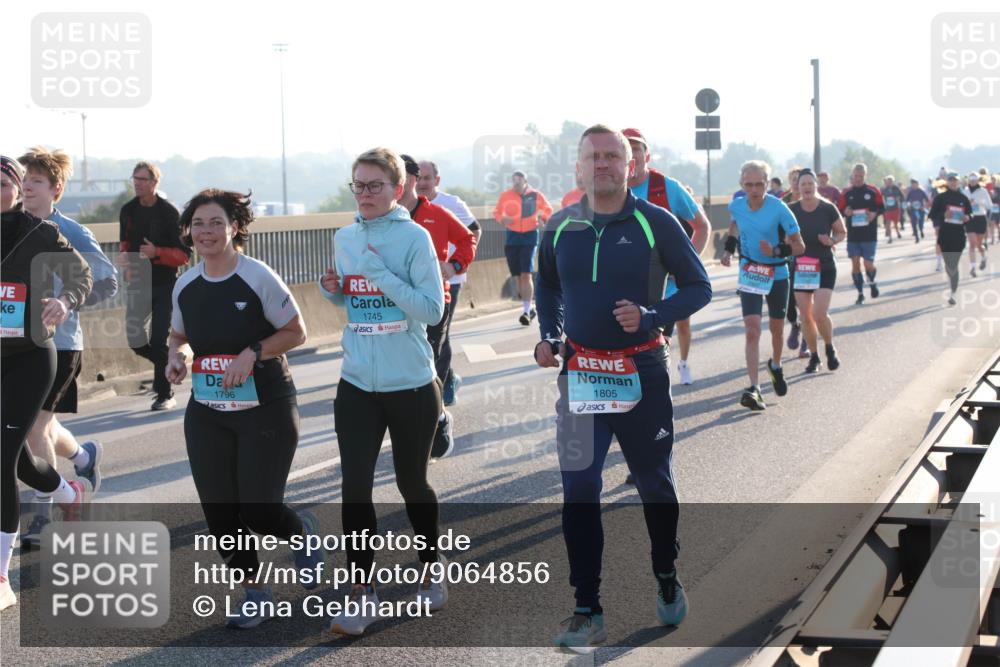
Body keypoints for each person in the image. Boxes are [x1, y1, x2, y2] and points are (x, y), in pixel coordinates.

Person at [536, 125, 711, 650]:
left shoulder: (655, 222)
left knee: (654, 485)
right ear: (578, 167)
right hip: (581, 375)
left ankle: (665, 572)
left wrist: (653, 315)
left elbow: (699, 286)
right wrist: (549, 335)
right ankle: (587, 608)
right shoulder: (559, 226)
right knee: (579, 489)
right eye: (593, 157)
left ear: (630, 166)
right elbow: (548, 286)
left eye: (613, 156)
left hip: (642, 373)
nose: (603, 164)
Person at [166, 188, 322, 629]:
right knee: (220, 512)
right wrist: (176, 358)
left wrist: (253, 352)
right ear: (189, 231)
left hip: (265, 406)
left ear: (235, 227)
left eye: (216, 222)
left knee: (258, 510)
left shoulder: (257, 276)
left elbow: (296, 331)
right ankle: (256, 592)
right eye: (198, 224)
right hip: (208, 409)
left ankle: (301, 533)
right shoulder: (185, 284)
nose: (207, 232)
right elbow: (179, 336)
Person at [319, 148, 447, 636]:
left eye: (375, 185)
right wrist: (334, 289)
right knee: (354, 487)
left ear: (398, 189)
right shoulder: (345, 237)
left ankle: (431, 566)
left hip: (410, 382)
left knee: (412, 484)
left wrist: (380, 275)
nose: (365, 193)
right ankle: (362, 592)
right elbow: (354, 301)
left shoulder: (415, 238)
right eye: (358, 184)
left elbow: (431, 310)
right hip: (356, 382)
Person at [1, 155, 93, 611]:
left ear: (17, 189)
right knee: (15, 460)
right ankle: (66, 491)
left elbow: (82, 275)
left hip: (31, 357)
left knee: (2, 458)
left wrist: (64, 300)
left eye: (2, 182)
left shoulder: (39, 233)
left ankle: (1, 576)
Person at [16, 147, 117, 547]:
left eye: (37, 182)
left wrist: (65, 302)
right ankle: (84, 457)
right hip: (16, 344)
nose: (28, 188)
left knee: (34, 427)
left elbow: (107, 281)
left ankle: (44, 516)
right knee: (42, 425)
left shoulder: (71, 232)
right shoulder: (11, 227)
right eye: (24, 181)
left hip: (59, 344)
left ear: (55, 189)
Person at [400, 154, 476, 459]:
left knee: (426, 364)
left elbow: (468, 238)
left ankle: (437, 418)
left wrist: (454, 265)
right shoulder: (381, 218)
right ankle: (415, 425)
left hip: (434, 301)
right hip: (397, 304)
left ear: (410, 179)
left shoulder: (438, 213)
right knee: (403, 368)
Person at [622, 128, 710, 385]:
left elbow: (702, 226)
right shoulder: (609, 190)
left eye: (637, 149)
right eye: (626, 149)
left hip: (665, 291)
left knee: (658, 345)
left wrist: (684, 266)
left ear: (647, 156)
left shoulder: (667, 187)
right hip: (625, 288)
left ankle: (668, 381)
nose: (632, 155)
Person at [721, 160, 805, 410]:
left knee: (776, 329)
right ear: (741, 184)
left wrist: (776, 250)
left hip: (777, 272)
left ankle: (775, 366)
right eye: (749, 185)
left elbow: (800, 246)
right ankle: (755, 388)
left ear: (768, 183)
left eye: (759, 184)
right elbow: (734, 227)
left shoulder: (780, 209)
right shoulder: (736, 206)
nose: (754, 190)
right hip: (750, 272)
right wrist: (728, 250)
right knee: (752, 329)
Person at [119, 161, 191, 410]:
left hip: (165, 285)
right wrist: (125, 258)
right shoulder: (128, 210)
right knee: (135, 340)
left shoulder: (170, 213)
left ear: (155, 182)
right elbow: (125, 242)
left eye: (143, 179)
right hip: (139, 283)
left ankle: (165, 393)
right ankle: (168, 364)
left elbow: (184, 255)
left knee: (159, 340)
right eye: (135, 179)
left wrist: (156, 252)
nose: (137, 183)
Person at [416, 160, 482, 406]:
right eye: (418, 178)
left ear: (437, 180)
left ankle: (441, 389)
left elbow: (474, 231)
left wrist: (456, 263)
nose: (422, 183)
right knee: (428, 335)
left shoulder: (451, 204)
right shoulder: (408, 206)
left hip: (450, 278)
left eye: (427, 178)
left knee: (442, 332)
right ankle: (448, 377)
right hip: (420, 280)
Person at [789, 170, 846, 373]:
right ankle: (814, 356)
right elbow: (784, 236)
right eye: (802, 184)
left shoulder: (827, 208)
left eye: (810, 183)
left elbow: (841, 232)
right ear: (798, 187)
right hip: (802, 268)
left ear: (816, 186)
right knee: (806, 317)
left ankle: (829, 348)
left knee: (819, 314)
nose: (806, 187)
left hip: (824, 266)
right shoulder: (791, 209)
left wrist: (831, 240)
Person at [494, 170, 552, 325]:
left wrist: (543, 219)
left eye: (519, 181)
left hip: (530, 235)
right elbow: (497, 212)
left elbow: (548, 209)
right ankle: (530, 307)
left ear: (525, 182)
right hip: (512, 237)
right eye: (514, 181)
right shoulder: (506, 195)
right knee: (518, 276)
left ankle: (526, 311)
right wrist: (502, 219)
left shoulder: (535, 195)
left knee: (526, 273)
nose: (516, 184)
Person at [838, 163, 885, 305]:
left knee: (868, 264)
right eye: (856, 176)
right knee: (855, 264)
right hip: (853, 235)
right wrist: (845, 212)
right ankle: (860, 293)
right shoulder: (846, 193)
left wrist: (874, 214)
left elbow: (882, 207)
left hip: (869, 234)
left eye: (861, 176)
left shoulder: (873, 191)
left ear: (865, 175)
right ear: (852, 175)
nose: (858, 178)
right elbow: (839, 211)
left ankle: (872, 281)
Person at [928, 172, 972, 305]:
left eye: (955, 180)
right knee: (949, 265)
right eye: (951, 180)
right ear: (947, 182)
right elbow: (932, 214)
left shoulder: (963, 198)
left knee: (953, 264)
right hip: (945, 234)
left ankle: (953, 293)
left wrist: (967, 217)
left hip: (959, 234)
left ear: (958, 182)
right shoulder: (940, 198)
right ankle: (952, 285)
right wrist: (943, 215)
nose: (953, 182)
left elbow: (970, 213)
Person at [780, 167, 809, 359]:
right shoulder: (782, 203)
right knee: (789, 303)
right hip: (788, 257)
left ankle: (806, 342)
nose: (796, 183)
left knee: (806, 302)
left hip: (809, 258)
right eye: (793, 179)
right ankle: (794, 324)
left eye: (799, 179)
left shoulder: (811, 200)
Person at [963, 172, 991, 275]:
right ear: (968, 180)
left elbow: (989, 205)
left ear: (978, 180)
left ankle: (984, 257)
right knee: (972, 243)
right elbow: (961, 204)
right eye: (971, 180)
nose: (972, 181)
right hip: (970, 218)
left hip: (980, 218)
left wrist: (978, 202)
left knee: (979, 244)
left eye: (974, 180)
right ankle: (973, 268)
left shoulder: (983, 191)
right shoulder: (965, 191)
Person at [881, 175, 905, 242]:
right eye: (888, 181)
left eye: (890, 181)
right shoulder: (884, 189)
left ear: (893, 181)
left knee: (895, 223)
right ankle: (890, 238)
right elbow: (880, 196)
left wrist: (898, 198)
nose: (889, 182)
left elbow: (902, 196)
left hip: (895, 208)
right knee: (888, 223)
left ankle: (898, 232)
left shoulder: (896, 188)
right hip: (888, 209)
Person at [905, 178, 929, 242]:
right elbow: (907, 201)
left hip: (921, 210)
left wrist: (924, 206)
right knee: (914, 224)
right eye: (912, 184)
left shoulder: (921, 191)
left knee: (920, 224)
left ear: (918, 184)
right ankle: (916, 237)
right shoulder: (910, 192)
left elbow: (927, 200)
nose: (914, 186)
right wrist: (909, 204)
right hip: (913, 210)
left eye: (915, 184)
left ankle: (921, 230)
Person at [989, 175, 1000, 246]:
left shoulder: (998, 189)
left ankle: (999, 236)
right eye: (992, 180)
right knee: (992, 223)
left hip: (998, 208)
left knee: (997, 224)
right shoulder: (988, 188)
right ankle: (992, 239)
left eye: (994, 180)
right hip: (991, 208)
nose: (993, 181)